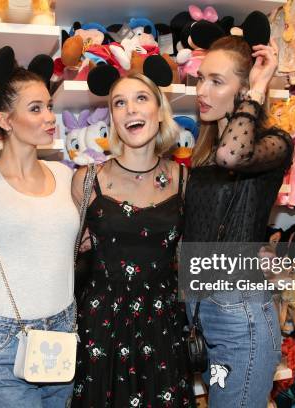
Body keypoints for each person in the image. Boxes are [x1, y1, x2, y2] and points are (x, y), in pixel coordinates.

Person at [0, 49, 79, 407]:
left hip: (62, 333)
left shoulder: (63, 174)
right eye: (35, 108)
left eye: (49, 106)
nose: (49, 117)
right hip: (1, 342)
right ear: (6, 121)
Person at [70, 73, 195, 407]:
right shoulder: (86, 180)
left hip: (162, 325)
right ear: (111, 117)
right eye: (119, 103)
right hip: (100, 326)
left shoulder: (184, 179)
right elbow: (61, 251)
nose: (129, 110)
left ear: (159, 109)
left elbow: (191, 259)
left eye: (141, 98)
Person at [183, 35, 293, 407]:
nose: (202, 90)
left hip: (240, 313)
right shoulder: (203, 149)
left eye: (216, 81)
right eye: (200, 79)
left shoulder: (275, 142)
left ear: (245, 88)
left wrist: (260, 87)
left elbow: (234, 155)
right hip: (201, 307)